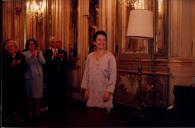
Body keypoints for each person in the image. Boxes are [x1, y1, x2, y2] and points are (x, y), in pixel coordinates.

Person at [81, 31, 117, 126]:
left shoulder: (110, 57)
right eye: (99, 40)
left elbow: (113, 76)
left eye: (104, 40)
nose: (102, 42)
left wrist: (109, 92)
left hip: (104, 94)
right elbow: (86, 74)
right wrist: (86, 89)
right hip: (92, 94)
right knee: (92, 121)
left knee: (103, 121)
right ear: (94, 42)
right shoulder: (90, 56)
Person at [2, 39, 28, 124]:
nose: (10, 48)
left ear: (15, 47)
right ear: (6, 48)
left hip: (19, 83)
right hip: (8, 84)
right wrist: (11, 65)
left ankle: (18, 116)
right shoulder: (4, 57)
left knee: (19, 100)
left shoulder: (21, 56)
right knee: (9, 101)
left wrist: (19, 64)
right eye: (8, 47)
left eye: (12, 46)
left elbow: (26, 69)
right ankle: (9, 116)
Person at [44, 37, 67, 116]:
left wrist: (61, 59)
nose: (54, 44)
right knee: (51, 92)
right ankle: (51, 108)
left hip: (60, 76)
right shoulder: (47, 52)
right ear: (50, 43)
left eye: (55, 42)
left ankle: (60, 108)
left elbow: (65, 64)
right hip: (51, 76)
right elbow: (46, 63)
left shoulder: (62, 52)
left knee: (60, 92)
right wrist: (53, 57)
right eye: (52, 42)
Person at [23, 39, 46, 118]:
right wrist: (32, 56)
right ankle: (30, 111)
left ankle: (37, 110)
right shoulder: (24, 53)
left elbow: (43, 62)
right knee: (30, 95)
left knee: (38, 95)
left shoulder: (39, 52)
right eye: (30, 44)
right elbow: (27, 64)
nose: (31, 46)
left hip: (38, 77)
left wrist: (39, 55)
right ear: (28, 45)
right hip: (29, 77)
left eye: (33, 44)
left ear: (35, 45)